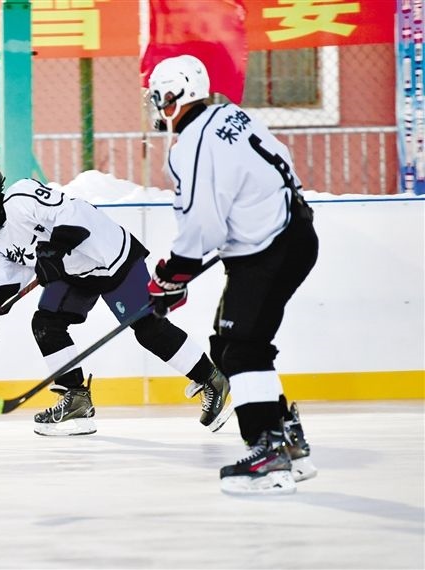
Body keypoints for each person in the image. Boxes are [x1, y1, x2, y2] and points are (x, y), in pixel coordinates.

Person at [0, 161, 231, 436]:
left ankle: (211, 379)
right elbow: (7, 280)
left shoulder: (21, 197)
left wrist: (52, 252)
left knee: (148, 329)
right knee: (46, 324)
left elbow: (72, 216)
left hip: (110, 256)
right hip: (74, 272)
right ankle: (76, 399)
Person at [147, 55, 319, 494]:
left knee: (242, 350)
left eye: (159, 96)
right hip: (291, 234)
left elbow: (203, 226)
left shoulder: (190, 145)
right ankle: (287, 441)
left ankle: (268, 455)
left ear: (173, 95)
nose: (157, 106)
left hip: (268, 248)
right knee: (229, 346)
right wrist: (178, 275)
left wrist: (172, 275)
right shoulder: (232, 116)